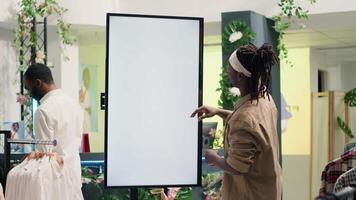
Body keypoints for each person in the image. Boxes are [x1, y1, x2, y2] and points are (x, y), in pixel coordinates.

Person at [191, 43, 282, 200]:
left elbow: (237, 167)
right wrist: (219, 111)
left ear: (240, 76)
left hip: (250, 194)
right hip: (268, 190)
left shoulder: (244, 118)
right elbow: (252, 125)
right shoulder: (265, 99)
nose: (227, 71)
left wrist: (214, 159)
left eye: (230, 67)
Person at [24, 63, 84, 200]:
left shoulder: (43, 110)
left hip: (54, 182)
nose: (29, 94)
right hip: (74, 176)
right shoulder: (74, 104)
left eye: (28, 88)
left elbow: (45, 155)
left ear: (38, 83)